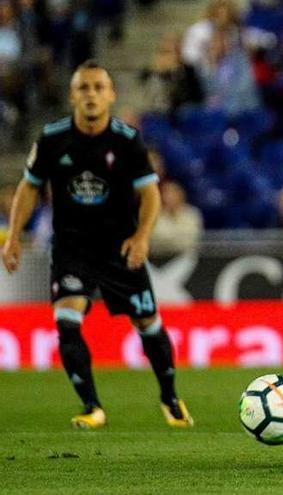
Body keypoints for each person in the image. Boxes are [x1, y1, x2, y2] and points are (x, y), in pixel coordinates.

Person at [1, 60, 194, 429]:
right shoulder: (52, 138)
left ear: (111, 94)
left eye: (98, 87)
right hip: (72, 248)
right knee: (67, 320)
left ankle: (170, 397)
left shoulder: (126, 140)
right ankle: (92, 407)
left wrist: (140, 238)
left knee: (148, 322)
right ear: (72, 94)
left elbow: (150, 194)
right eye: (84, 87)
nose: (91, 94)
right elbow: (29, 187)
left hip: (119, 247)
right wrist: (13, 237)